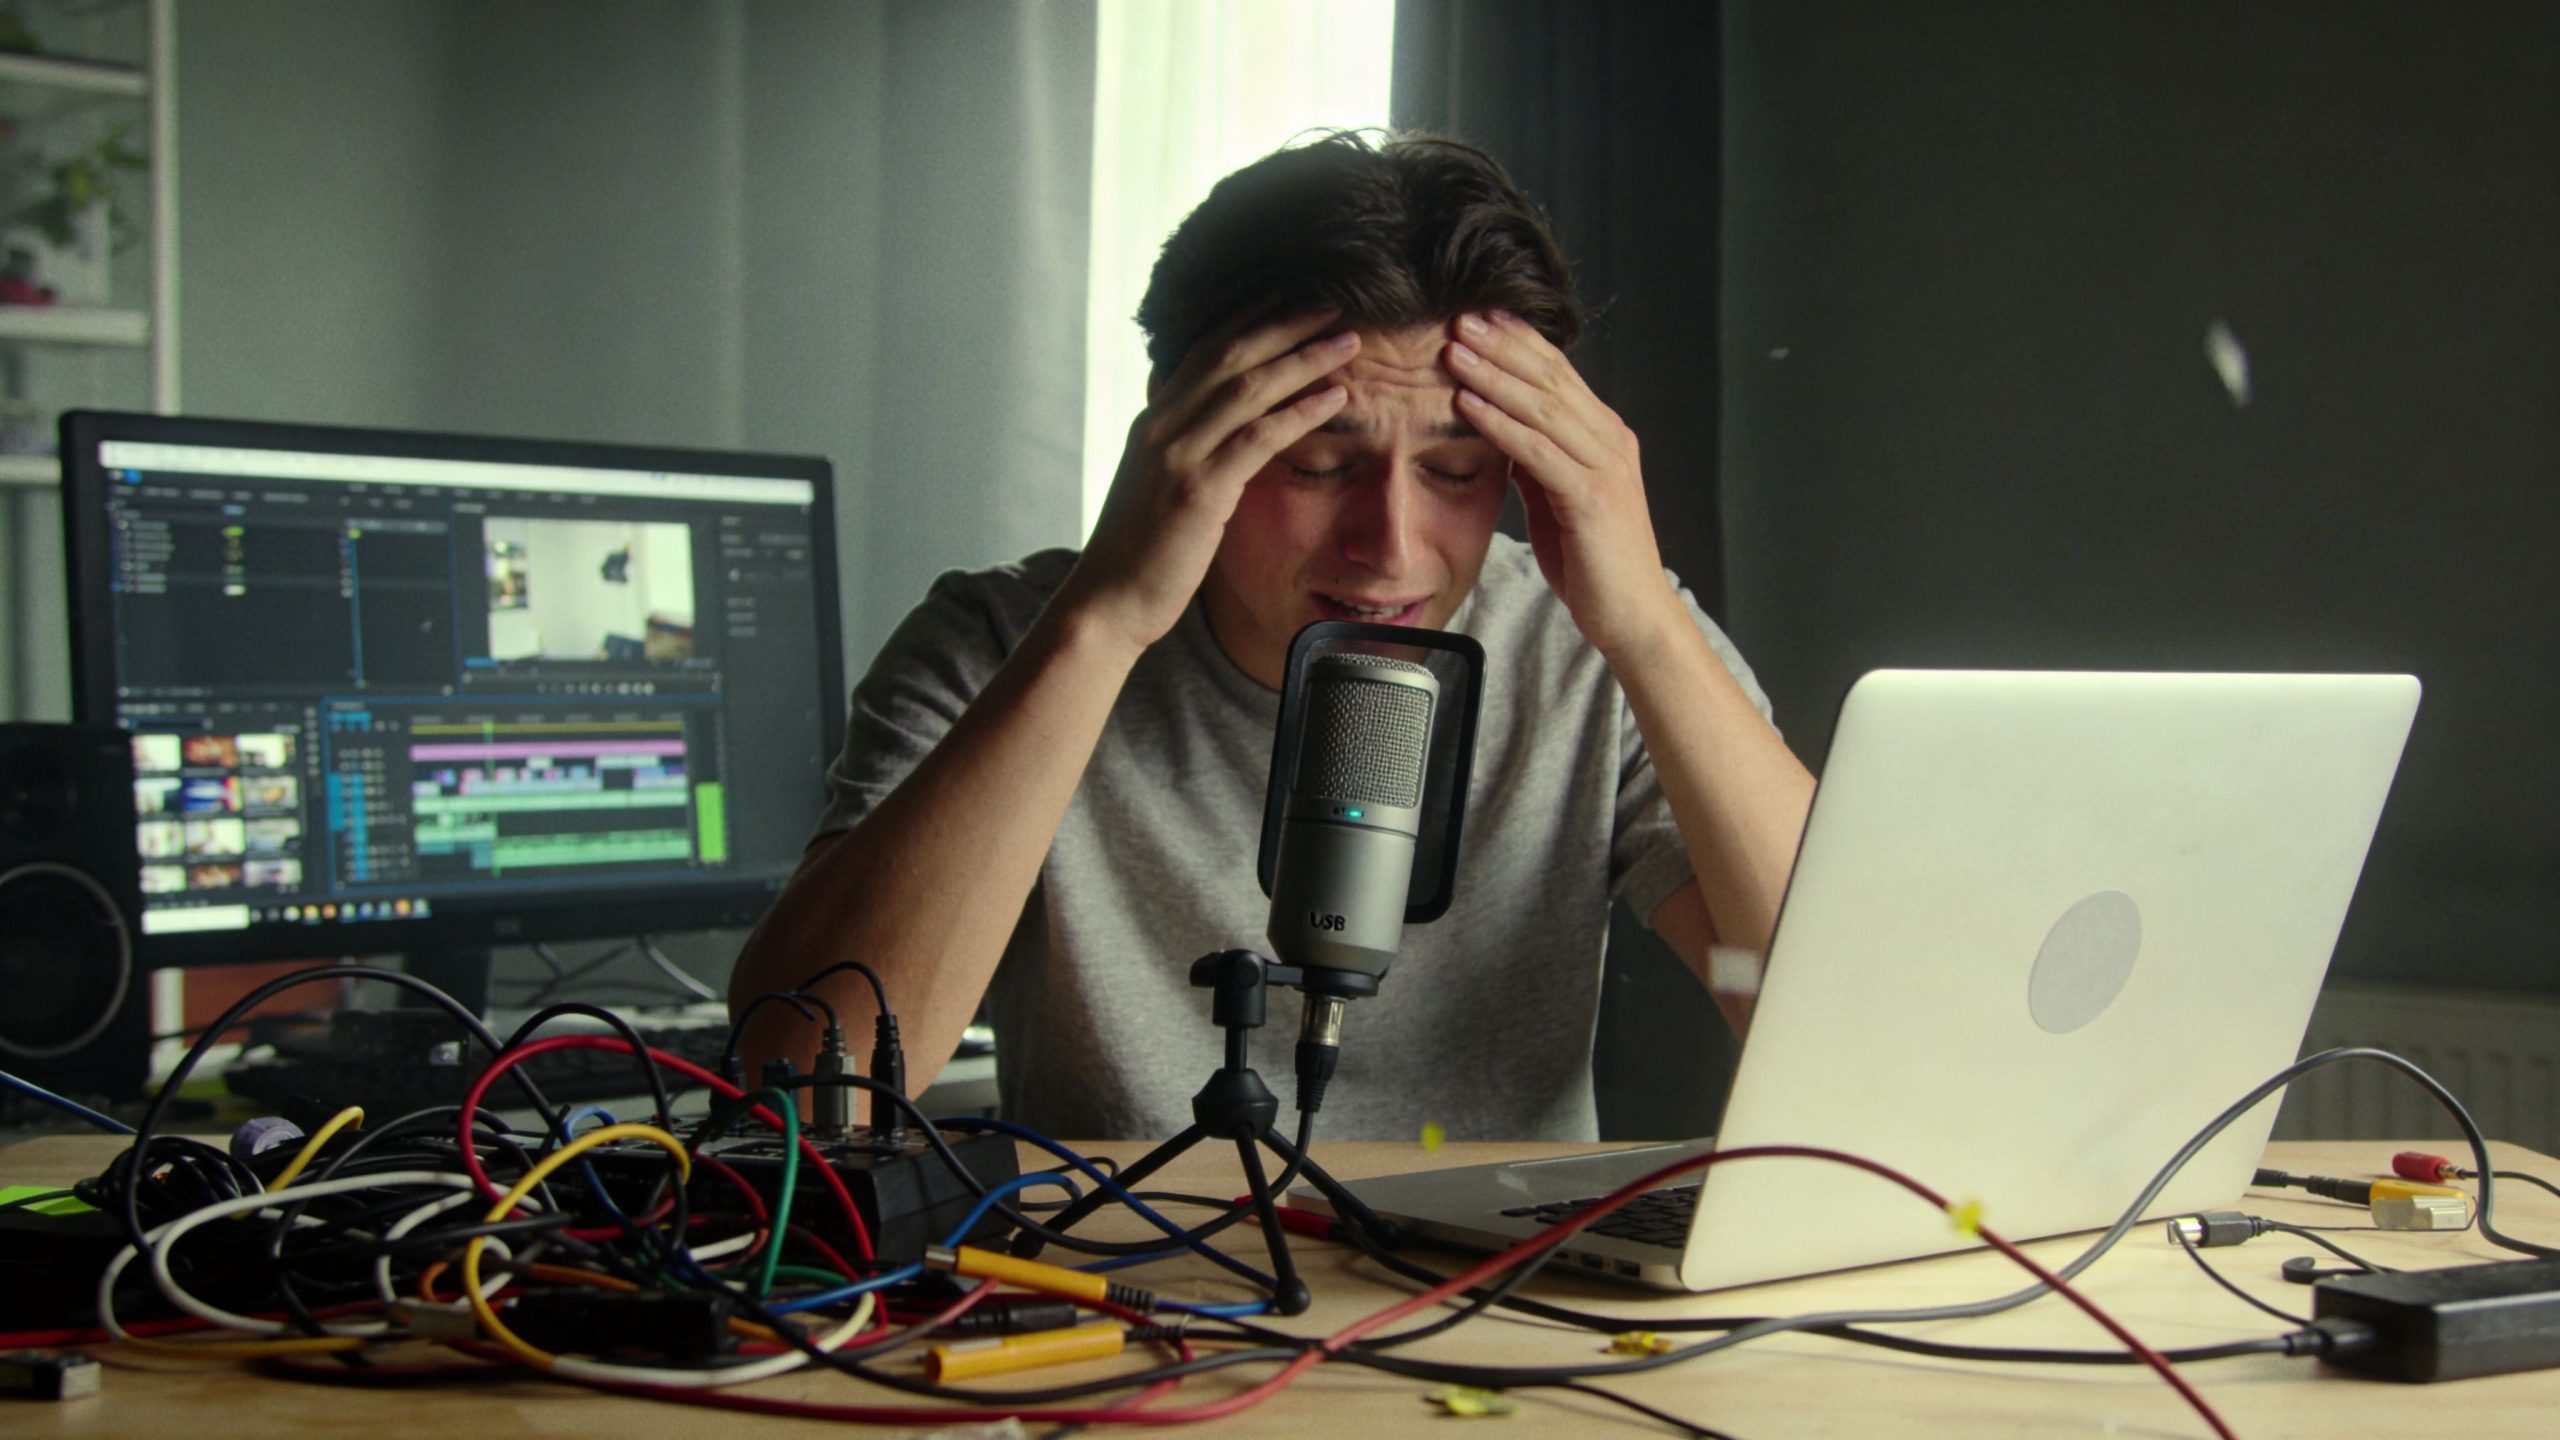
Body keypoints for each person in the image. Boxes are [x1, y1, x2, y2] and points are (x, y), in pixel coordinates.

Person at [729, 131, 1814, 1141]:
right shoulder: (1002, 644)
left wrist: (1649, 634)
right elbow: (798, 1092)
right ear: (1180, 432)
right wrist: (1104, 625)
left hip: (1507, 1320)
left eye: (1454, 472)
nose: (1388, 548)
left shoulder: (1604, 648)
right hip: (1127, 1313)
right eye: (1317, 464)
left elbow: (1836, 1023)